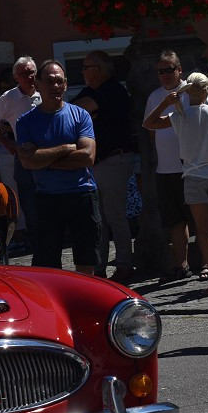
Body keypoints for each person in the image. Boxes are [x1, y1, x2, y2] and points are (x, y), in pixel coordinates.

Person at [145, 72, 208, 295]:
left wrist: (165, 102)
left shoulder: (181, 115)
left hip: (193, 177)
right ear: (207, 90)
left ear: (188, 91)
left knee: (204, 231)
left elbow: (148, 123)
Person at [14, 60, 100, 275]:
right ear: (39, 84)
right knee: (47, 264)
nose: (55, 87)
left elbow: (87, 157)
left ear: (66, 84)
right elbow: (27, 162)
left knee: (86, 260)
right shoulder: (25, 122)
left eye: (60, 82)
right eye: (50, 81)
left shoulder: (80, 116)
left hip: (83, 194)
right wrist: (66, 148)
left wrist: (43, 159)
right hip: (47, 198)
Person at [73, 50, 135, 281]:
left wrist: (87, 113)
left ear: (97, 70)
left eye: (85, 67)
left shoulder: (113, 90)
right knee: (98, 217)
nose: (83, 71)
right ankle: (99, 268)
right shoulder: (91, 91)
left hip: (113, 159)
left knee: (114, 215)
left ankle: (124, 265)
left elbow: (78, 110)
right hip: (97, 163)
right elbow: (72, 110)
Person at [144, 50, 202, 283]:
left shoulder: (193, 90)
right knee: (175, 221)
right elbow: (150, 130)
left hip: (192, 165)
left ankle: (207, 263)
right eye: (161, 71)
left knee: (199, 218)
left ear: (180, 70)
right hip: (166, 168)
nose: (165, 75)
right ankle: (181, 265)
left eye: (169, 69)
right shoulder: (154, 96)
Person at [0, 57, 40, 254]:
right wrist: (6, 141)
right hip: (24, 158)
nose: (30, 77)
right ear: (16, 77)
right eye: (24, 74)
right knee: (28, 202)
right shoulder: (10, 97)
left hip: (47, 156)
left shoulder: (42, 93)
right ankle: (33, 243)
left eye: (32, 72)